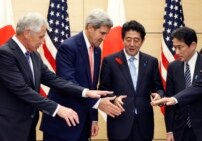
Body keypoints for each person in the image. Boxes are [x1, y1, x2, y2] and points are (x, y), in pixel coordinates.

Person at [0, 12, 121, 141]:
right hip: (9, 126)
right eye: (41, 37)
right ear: (27, 32)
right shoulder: (5, 54)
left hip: (29, 124)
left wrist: (85, 92)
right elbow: (22, 90)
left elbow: (53, 79)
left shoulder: (34, 55)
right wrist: (57, 108)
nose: (43, 42)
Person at [40, 9, 121, 141]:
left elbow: (92, 87)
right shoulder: (68, 47)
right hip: (62, 124)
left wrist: (93, 118)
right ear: (90, 27)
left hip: (83, 123)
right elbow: (68, 83)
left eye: (107, 34)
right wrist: (98, 103)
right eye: (102, 33)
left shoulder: (97, 50)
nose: (104, 38)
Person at [99, 20, 164, 141]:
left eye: (136, 40)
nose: (132, 44)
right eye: (128, 39)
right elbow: (103, 89)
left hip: (144, 124)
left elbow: (158, 87)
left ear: (142, 41)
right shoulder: (110, 61)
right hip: (119, 121)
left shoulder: (151, 62)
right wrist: (114, 98)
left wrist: (159, 95)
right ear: (123, 39)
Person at [163, 27, 202, 141]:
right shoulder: (173, 67)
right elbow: (170, 99)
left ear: (192, 45)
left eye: (180, 47)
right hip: (180, 129)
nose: (176, 52)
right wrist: (169, 130)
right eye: (175, 47)